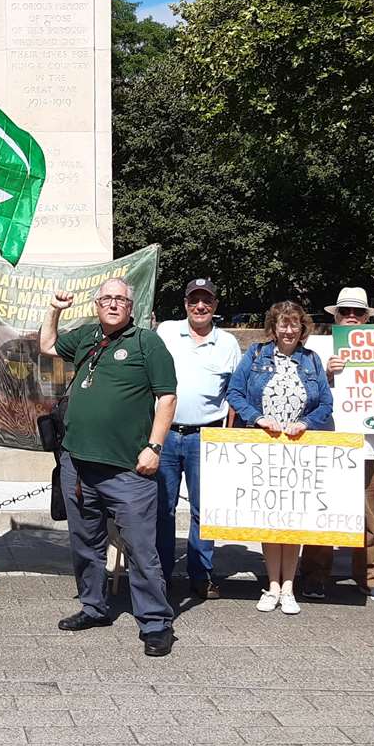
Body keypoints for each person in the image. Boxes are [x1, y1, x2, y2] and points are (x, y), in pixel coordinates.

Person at [40, 278, 178, 657]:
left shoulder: (145, 342)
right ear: (97, 304)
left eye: (121, 299)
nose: (114, 304)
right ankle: (94, 607)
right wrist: (54, 309)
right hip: (78, 464)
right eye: (107, 299)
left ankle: (155, 622)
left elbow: (166, 397)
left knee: (140, 549)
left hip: (128, 470)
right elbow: (48, 345)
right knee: (85, 544)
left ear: (130, 307)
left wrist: (154, 447)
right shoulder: (86, 336)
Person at [226, 301, 333, 616]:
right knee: (269, 518)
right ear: (273, 327)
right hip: (264, 446)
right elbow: (234, 392)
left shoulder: (311, 361)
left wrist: (308, 423)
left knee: (293, 518)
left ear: (302, 329)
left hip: (299, 447)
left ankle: (289, 587)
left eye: (294, 324)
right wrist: (257, 418)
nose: (289, 330)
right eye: (283, 324)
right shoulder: (256, 356)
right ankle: (272, 584)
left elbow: (325, 402)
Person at [300, 286, 374, 603]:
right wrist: (326, 374)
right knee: (323, 512)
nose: (351, 317)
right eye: (345, 312)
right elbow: (302, 393)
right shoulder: (318, 348)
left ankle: (371, 575)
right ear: (335, 316)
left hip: (370, 445)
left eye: (358, 312)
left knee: (370, 516)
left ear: (367, 317)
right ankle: (314, 574)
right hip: (328, 443)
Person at [154, 277, 241, 600]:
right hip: (164, 432)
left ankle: (201, 575)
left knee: (205, 510)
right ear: (186, 304)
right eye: (194, 300)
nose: (200, 306)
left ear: (215, 306)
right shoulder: (166, 332)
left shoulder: (228, 343)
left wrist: (229, 436)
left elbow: (236, 391)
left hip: (206, 435)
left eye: (206, 301)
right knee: (162, 508)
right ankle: (160, 574)